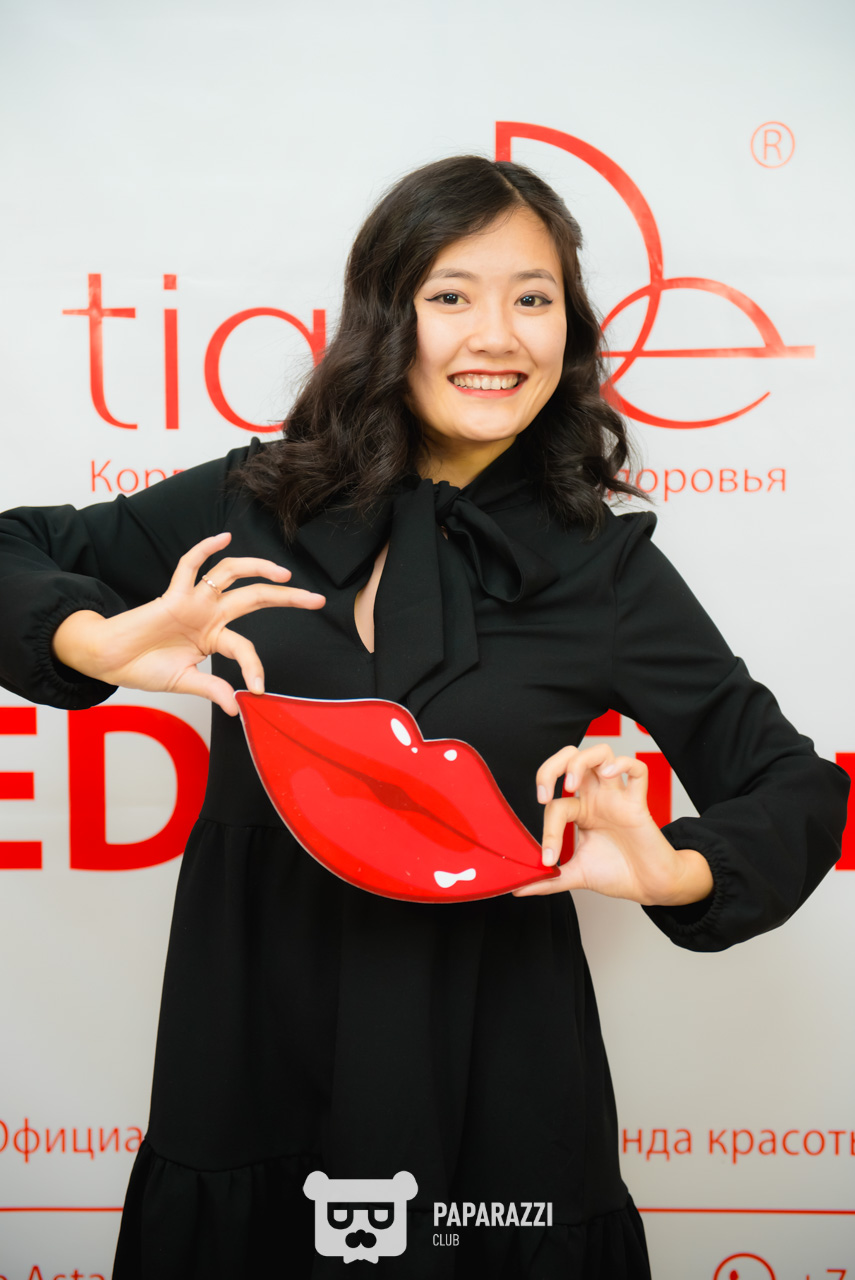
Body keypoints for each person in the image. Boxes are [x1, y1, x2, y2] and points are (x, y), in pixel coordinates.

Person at [0, 155, 847, 1280]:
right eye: (452, 294)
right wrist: (89, 639)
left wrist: (674, 867)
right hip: (250, 1047)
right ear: (387, 317)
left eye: (532, 298)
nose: (496, 335)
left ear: (569, 329)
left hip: (489, 1075)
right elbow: (13, 548)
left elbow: (795, 784)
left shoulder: (604, 569)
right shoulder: (250, 500)